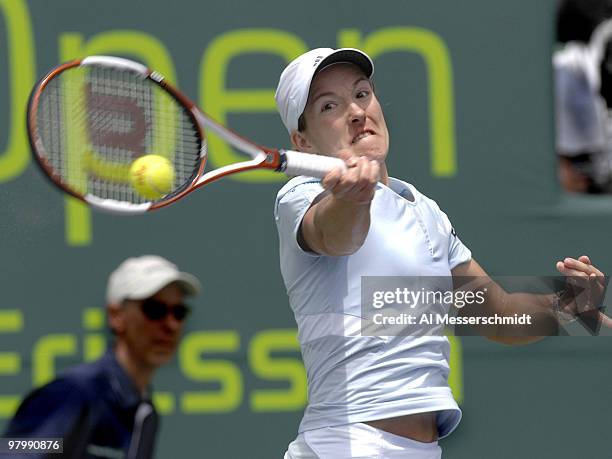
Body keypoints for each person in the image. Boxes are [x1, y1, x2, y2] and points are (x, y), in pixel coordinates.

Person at [273, 48, 611, 458]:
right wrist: (353, 200)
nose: (357, 112)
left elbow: (498, 316)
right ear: (302, 140)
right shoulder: (303, 195)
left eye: (362, 94)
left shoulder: (425, 212)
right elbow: (334, 237)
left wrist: (564, 306)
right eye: (330, 105)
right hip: (346, 444)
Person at [2, 255, 201, 459]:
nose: (171, 325)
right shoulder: (73, 393)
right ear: (116, 316)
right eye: (154, 310)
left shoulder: (146, 413)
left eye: (179, 312)